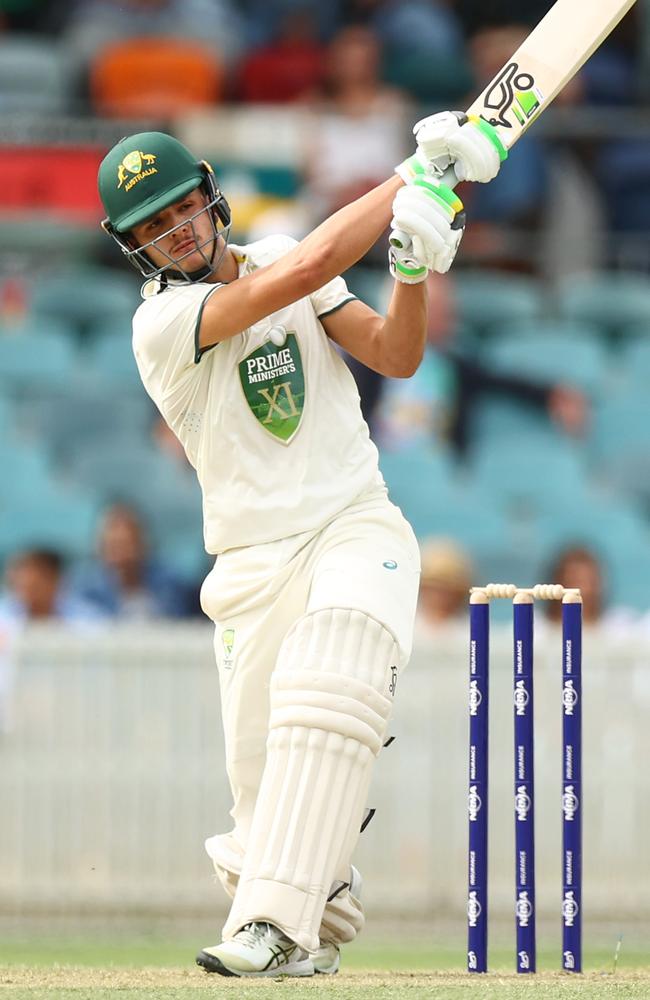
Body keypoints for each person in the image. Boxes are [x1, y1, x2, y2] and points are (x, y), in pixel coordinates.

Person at [97, 112, 503, 976]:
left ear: (210, 196)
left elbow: (395, 357)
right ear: (134, 249)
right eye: (152, 229)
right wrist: (418, 175)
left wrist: (410, 270)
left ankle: (278, 925)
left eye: (182, 210)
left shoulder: (278, 250)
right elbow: (314, 262)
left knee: (335, 673)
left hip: (355, 520)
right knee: (261, 819)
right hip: (249, 568)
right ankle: (319, 898)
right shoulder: (163, 326)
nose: (175, 233)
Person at [75, 503, 196, 619]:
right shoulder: (86, 588)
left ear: (142, 545)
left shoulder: (168, 586)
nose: (121, 556)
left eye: (127, 546)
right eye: (114, 546)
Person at [416, 536, 474, 639]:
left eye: (446, 587)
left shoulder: (472, 633)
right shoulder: (404, 628)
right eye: (433, 586)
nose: (439, 595)